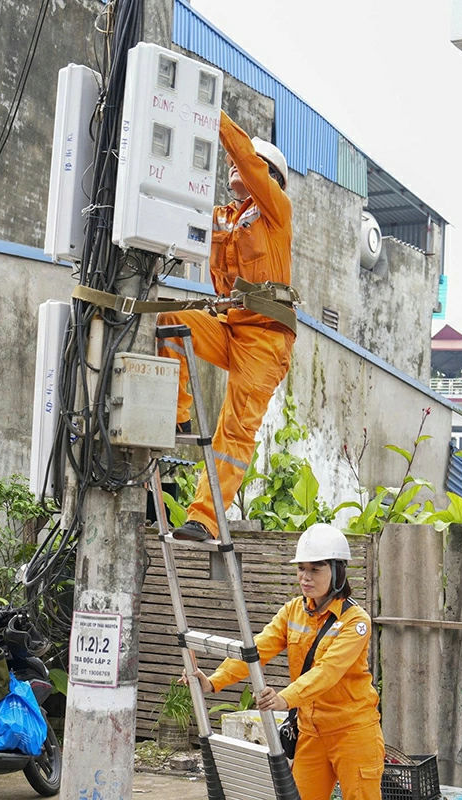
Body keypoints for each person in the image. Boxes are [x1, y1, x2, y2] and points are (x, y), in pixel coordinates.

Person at [158, 109, 297, 541]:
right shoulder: (223, 216)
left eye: (250, 164)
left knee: (234, 429)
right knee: (171, 319)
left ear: (267, 176)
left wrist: (207, 109)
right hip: (229, 327)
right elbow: (178, 210)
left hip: (265, 342)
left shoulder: (275, 210)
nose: (236, 166)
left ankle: (206, 516)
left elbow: (241, 151)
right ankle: (179, 416)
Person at [189, 524, 385, 800]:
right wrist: (213, 681)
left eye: (315, 569)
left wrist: (284, 699)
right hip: (310, 732)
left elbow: (327, 672)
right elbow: (256, 651)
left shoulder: (355, 622)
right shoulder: (293, 611)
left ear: (338, 572)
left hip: (352, 732)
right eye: (301, 568)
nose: (306, 577)